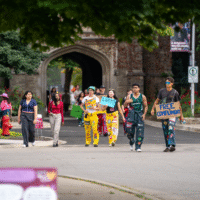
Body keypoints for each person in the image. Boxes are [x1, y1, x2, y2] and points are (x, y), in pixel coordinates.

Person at [151, 77, 184, 152]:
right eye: (166, 82)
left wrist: (181, 116)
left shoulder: (175, 92)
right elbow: (157, 101)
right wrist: (153, 109)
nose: (167, 84)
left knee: (171, 128)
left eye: (168, 83)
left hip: (172, 114)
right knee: (165, 130)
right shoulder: (162, 91)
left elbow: (178, 105)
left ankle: (172, 145)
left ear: (172, 84)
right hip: (164, 114)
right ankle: (168, 146)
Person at [124, 83, 148, 152]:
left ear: (139, 89)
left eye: (136, 87)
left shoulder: (142, 96)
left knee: (140, 131)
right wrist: (127, 101)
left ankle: (138, 146)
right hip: (131, 115)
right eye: (133, 87)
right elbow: (125, 105)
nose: (135, 89)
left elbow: (146, 106)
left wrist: (144, 114)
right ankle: (131, 141)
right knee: (129, 131)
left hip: (139, 115)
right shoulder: (129, 96)